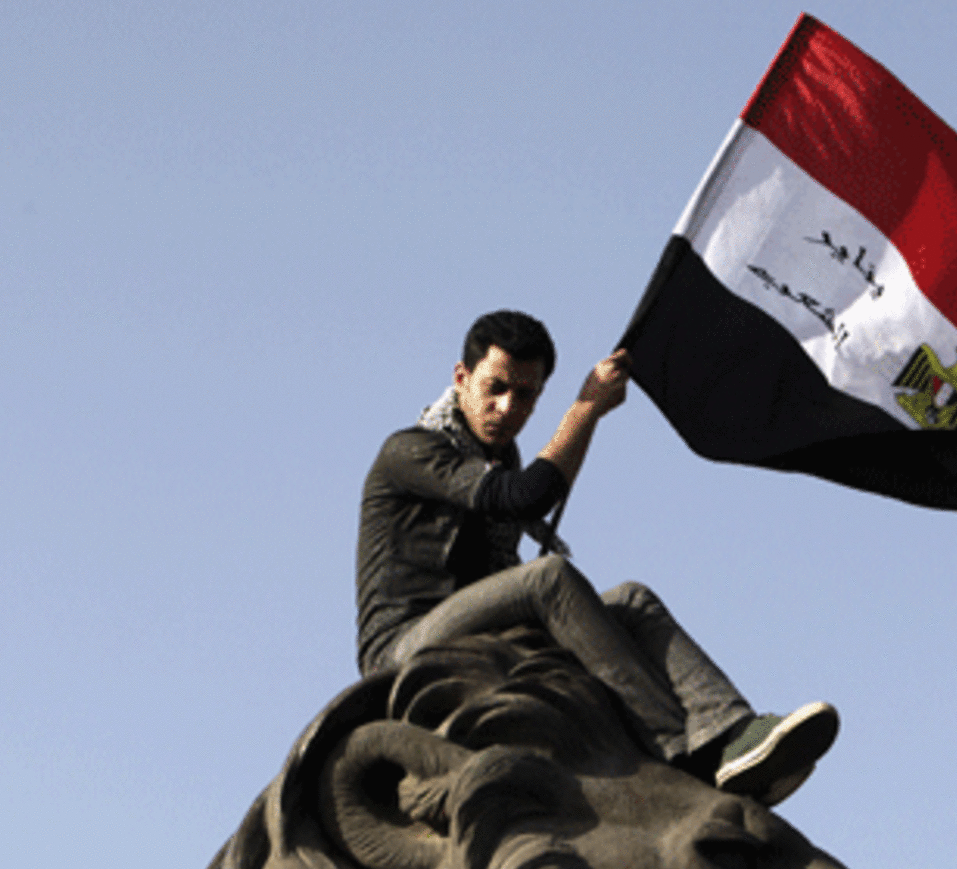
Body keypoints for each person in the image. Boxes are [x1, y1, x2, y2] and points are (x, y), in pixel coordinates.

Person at [355, 309, 837, 805]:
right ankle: (676, 752)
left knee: (631, 599)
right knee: (550, 578)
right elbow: (524, 497)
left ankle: (729, 734)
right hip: (402, 649)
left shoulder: (501, 460)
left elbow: (526, 496)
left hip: (476, 629)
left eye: (525, 395)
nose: (506, 407)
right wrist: (586, 408)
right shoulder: (412, 451)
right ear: (462, 378)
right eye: (494, 387)